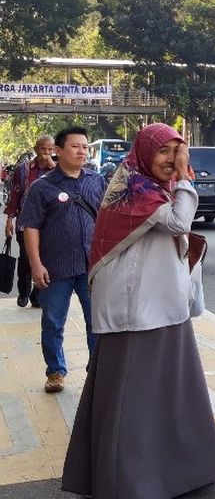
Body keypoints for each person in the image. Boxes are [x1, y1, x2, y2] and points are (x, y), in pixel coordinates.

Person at [62, 123, 215, 498]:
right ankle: (128, 480)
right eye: (164, 152)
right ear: (145, 152)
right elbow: (179, 222)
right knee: (131, 399)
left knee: (172, 392)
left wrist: (178, 180)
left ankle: (181, 471)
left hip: (164, 303)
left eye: (177, 151)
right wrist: (186, 177)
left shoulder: (151, 187)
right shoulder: (135, 188)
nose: (171, 160)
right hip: (135, 308)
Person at [17, 127, 105, 392]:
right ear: (58, 151)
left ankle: (97, 371)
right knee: (53, 322)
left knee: (97, 323)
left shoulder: (97, 181)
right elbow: (31, 226)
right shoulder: (41, 188)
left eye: (85, 146)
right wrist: (36, 264)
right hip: (56, 267)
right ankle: (55, 371)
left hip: (91, 268)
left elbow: (106, 220)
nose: (82, 151)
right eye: (75, 146)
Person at [4, 135, 56, 309]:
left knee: (45, 259)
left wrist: (55, 168)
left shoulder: (58, 170)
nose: (47, 153)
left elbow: (65, 191)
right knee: (26, 259)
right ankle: (24, 292)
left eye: (50, 149)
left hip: (49, 224)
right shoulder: (23, 169)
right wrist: (9, 219)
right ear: (36, 149)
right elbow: (15, 194)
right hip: (25, 222)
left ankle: (37, 293)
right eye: (43, 149)